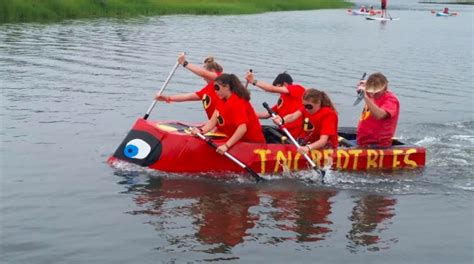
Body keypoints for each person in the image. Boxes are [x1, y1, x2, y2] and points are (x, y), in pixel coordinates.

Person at [191, 74, 265, 154]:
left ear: (227, 87)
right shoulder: (222, 99)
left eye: (217, 88)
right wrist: (200, 131)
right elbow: (212, 122)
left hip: (252, 143)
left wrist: (226, 146)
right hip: (236, 139)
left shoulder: (238, 102)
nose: (215, 91)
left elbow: (242, 128)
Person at [156, 53, 223, 119]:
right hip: (217, 126)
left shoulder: (222, 79)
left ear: (212, 71)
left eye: (206, 74)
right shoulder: (207, 90)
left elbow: (202, 73)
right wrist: (167, 98)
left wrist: (184, 62)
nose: (203, 78)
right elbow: (188, 97)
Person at [272, 88, 339, 155]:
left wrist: (308, 148)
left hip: (326, 147)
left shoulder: (329, 115)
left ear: (318, 103)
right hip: (309, 141)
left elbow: (323, 141)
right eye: (304, 105)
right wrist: (282, 120)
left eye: (309, 106)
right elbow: (293, 116)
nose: (306, 109)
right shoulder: (306, 108)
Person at [245, 71, 306, 138]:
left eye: (278, 87)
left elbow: (271, 89)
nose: (278, 92)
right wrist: (246, 114)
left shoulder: (296, 88)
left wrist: (253, 81)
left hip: (293, 136)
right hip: (283, 132)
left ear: (285, 84)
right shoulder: (282, 100)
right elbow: (266, 115)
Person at [356, 72, 400, 148]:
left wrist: (366, 97)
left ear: (385, 88)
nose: (373, 94)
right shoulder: (370, 93)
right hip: (362, 141)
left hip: (378, 145)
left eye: (376, 92)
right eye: (371, 91)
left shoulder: (391, 100)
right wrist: (362, 87)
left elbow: (380, 115)